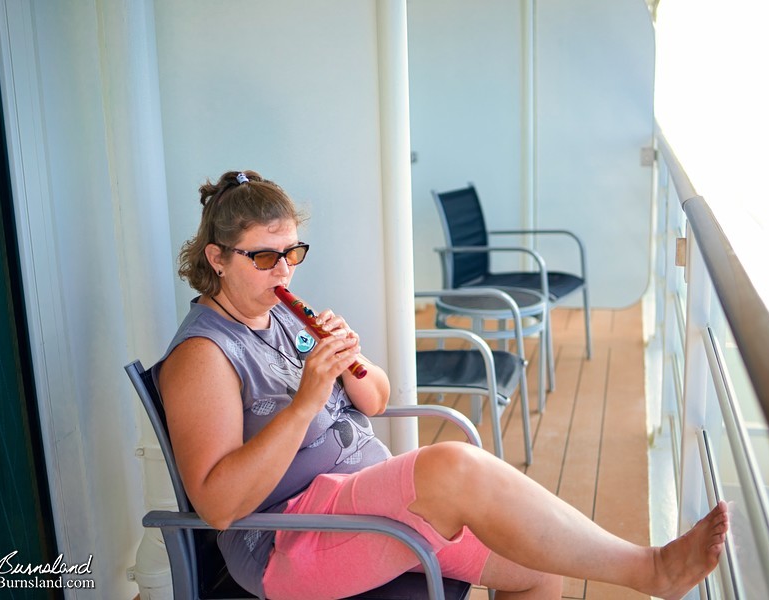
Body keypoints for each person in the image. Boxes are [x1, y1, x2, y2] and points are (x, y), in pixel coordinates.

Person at [153, 169, 729, 600]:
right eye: (264, 257)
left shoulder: (278, 315)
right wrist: (305, 402)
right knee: (451, 465)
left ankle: (648, 567)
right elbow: (219, 505)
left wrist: (350, 361)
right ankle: (649, 569)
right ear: (217, 258)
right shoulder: (203, 356)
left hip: (361, 498)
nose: (284, 272)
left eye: (292, 253)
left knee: (536, 565)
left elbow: (375, 401)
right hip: (293, 536)